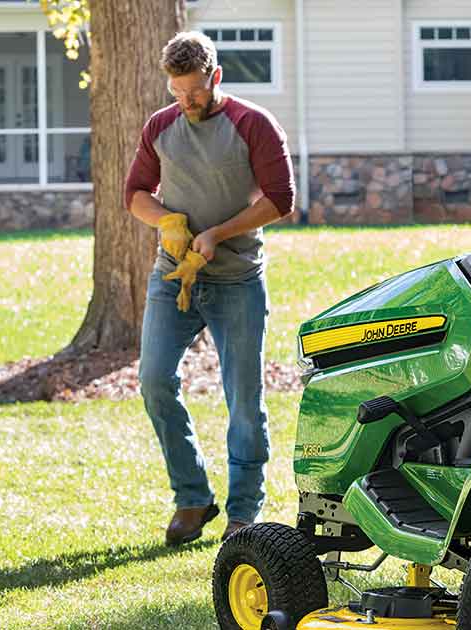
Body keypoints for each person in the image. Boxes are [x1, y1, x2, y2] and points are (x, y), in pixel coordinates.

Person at [124, 31, 295, 546]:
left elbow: (281, 199)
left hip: (237, 278)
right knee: (154, 381)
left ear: (215, 77)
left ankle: (244, 511)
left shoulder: (253, 126)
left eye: (194, 90)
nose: (186, 100)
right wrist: (168, 221)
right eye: (177, 91)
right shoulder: (161, 126)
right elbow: (134, 194)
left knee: (243, 398)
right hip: (173, 278)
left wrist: (219, 233)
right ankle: (192, 496)